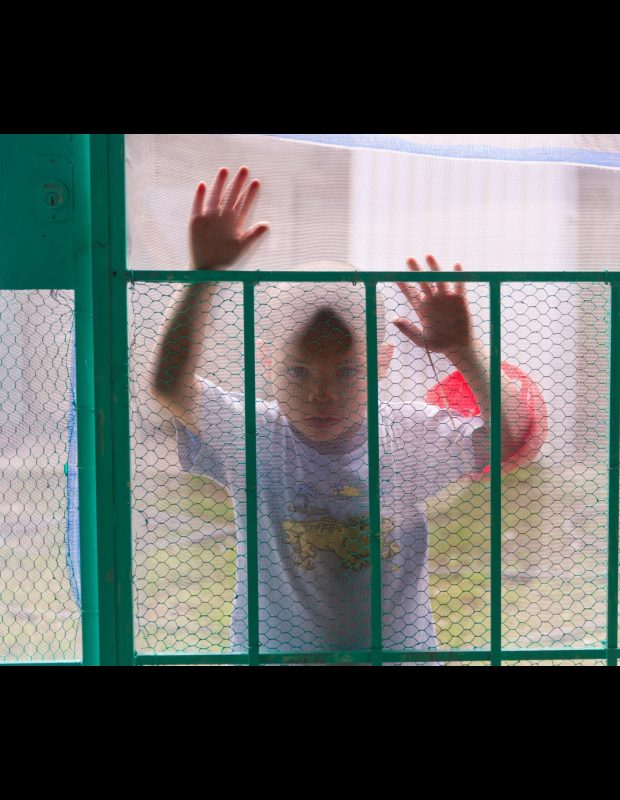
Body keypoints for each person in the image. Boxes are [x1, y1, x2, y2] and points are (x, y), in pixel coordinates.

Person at [150, 165, 546, 657]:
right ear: (268, 365)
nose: (322, 395)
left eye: (346, 372)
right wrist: (202, 277)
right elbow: (170, 384)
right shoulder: (252, 436)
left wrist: (463, 352)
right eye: (299, 373)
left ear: (381, 364)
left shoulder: (404, 437)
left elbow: (511, 435)